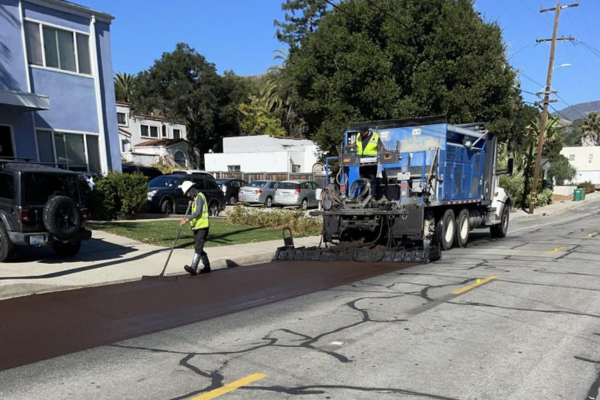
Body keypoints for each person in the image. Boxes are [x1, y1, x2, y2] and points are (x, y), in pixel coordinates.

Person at [179, 181, 211, 275]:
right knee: (198, 247)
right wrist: (192, 203)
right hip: (197, 226)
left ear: (191, 190)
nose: (188, 195)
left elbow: (197, 213)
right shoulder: (196, 198)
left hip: (203, 226)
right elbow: (195, 208)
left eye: (188, 193)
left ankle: (193, 267)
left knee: (198, 247)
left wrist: (186, 219)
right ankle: (207, 266)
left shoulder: (200, 197)